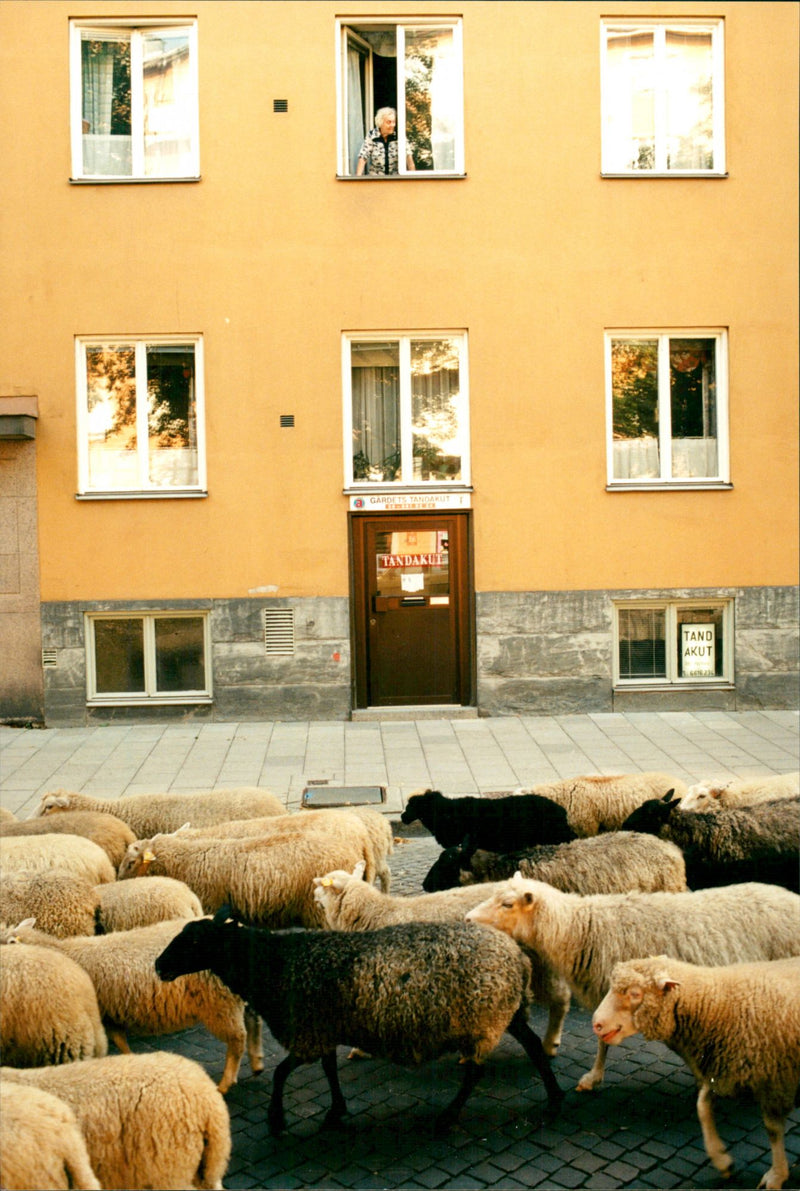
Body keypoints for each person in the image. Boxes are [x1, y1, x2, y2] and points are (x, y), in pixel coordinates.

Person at [355, 107, 415, 176]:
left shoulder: (399, 136)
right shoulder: (372, 135)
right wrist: (358, 179)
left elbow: (409, 158)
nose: (392, 125)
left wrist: (413, 180)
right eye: (389, 122)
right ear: (380, 122)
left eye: (394, 122)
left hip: (395, 179)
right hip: (375, 179)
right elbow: (363, 157)